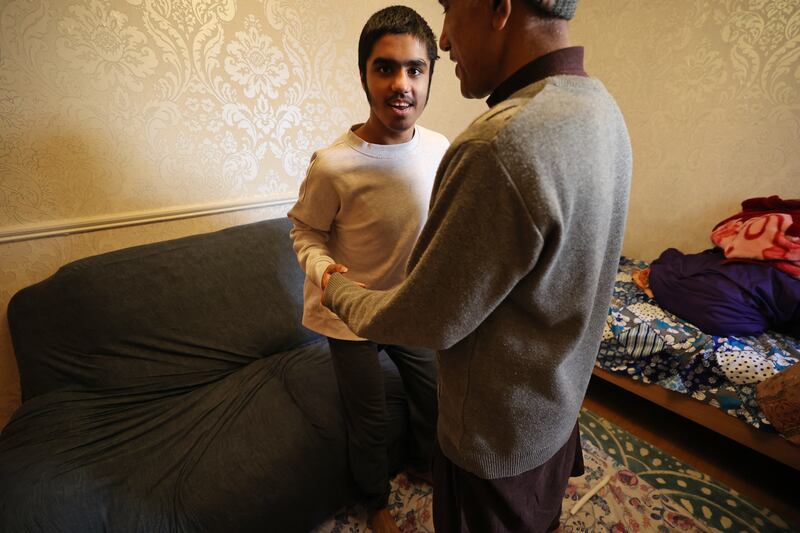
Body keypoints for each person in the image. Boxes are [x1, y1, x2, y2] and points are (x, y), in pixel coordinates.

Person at [322, 0, 633, 532]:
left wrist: (335, 288)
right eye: (384, 67)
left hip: (496, 435)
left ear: (498, 8)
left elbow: (426, 319)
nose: (444, 40)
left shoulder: (496, 145)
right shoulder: (602, 109)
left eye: (448, 8)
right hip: (555, 411)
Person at [286, 6, 449, 533]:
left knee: (435, 395)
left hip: (409, 306)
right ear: (364, 76)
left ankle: (423, 463)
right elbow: (304, 231)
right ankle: (373, 498)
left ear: (430, 76)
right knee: (369, 418)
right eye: (385, 68)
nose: (402, 83)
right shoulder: (334, 163)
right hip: (349, 313)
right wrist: (326, 273)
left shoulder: (442, 150)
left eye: (415, 69)